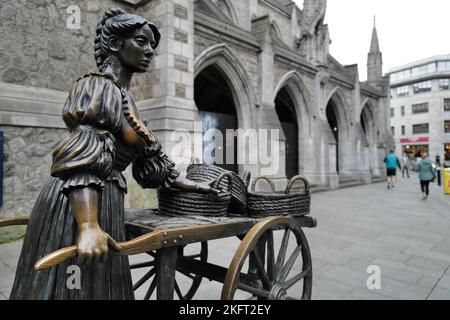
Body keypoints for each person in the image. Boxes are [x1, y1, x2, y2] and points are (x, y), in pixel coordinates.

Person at [10, 8, 218, 300]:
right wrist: (89, 225)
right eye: (141, 41)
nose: (149, 51)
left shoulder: (125, 97)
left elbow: (150, 164)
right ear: (115, 44)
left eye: (152, 46)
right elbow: (82, 156)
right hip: (77, 205)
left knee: (102, 286)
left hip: (104, 201)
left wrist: (192, 184)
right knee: (75, 286)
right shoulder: (97, 87)